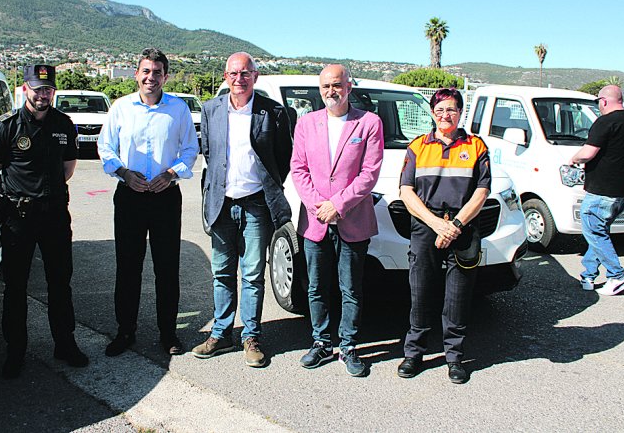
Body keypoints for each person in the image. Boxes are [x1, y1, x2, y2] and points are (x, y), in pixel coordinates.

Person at [0, 64, 88, 379]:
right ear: (25, 89)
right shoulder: (5, 127)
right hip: (19, 219)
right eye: (37, 88)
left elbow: (68, 168)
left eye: (48, 89)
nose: (43, 95)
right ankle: (15, 351)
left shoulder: (64, 125)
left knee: (60, 284)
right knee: (15, 286)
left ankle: (65, 344)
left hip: (54, 215)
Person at [193, 52, 293, 368]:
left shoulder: (273, 112)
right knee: (221, 272)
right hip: (221, 203)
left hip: (256, 205)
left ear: (255, 77)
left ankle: (251, 337)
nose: (239, 78)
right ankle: (222, 334)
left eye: (245, 73)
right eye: (234, 73)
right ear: (226, 76)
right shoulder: (210, 110)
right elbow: (209, 153)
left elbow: (283, 157)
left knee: (252, 273)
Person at [97, 48, 198, 356]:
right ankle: (125, 332)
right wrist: (124, 173)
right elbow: (105, 147)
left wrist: (171, 173)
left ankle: (168, 334)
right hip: (130, 196)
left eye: (157, 72)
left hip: (166, 197)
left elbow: (190, 150)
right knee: (128, 268)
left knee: (167, 269)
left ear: (165, 76)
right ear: (136, 74)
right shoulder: (120, 107)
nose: (151, 77)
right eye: (145, 71)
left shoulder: (178, 109)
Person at [290, 64, 383, 377]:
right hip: (315, 220)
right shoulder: (305, 124)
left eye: (337, 85)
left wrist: (338, 205)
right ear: (320, 90)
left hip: (352, 219)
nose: (332, 91)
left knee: (351, 288)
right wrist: (320, 206)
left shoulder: (369, 123)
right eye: (326, 86)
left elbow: (369, 173)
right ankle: (320, 342)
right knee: (316, 287)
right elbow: (298, 169)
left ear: (349, 86)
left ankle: (349, 346)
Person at [397, 87, 491, 384]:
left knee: (457, 297)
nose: (444, 115)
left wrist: (456, 226)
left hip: (462, 227)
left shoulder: (476, 146)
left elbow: (482, 191)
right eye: (439, 110)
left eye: (450, 109)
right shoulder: (418, 147)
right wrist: (437, 224)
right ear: (432, 113)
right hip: (427, 226)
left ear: (460, 112)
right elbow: (406, 192)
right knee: (420, 292)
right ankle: (414, 354)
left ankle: (455, 358)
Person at [570, 85, 624, 296]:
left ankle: (617, 276)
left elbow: (587, 153)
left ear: (603, 101)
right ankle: (588, 275)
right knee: (599, 233)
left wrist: (574, 159)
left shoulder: (604, 122)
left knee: (594, 231)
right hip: (623, 191)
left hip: (602, 190)